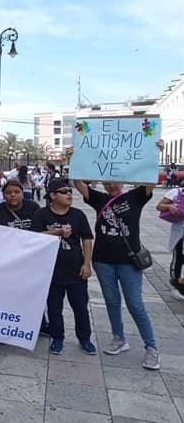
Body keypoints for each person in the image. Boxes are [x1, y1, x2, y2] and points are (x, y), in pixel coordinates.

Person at [68, 142, 163, 370]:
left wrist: (153, 152)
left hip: (129, 261)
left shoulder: (136, 196)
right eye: (107, 181)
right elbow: (78, 183)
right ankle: (118, 338)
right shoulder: (99, 199)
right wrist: (75, 157)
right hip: (103, 261)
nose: (111, 185)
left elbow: (150, 180)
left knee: (135, 304)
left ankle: (151, 348)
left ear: (122, 180)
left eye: (115, 180)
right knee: (112, 302)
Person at [31, 179, 95, 356]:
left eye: (70, 191)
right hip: (51, 272)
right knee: (54, 308)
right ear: (52, 195)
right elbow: (34, 236)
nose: (69, 194)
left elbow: (87, 239)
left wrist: (86, 264)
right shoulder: (41, 214)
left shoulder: (77, 215)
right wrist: (57, 232)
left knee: (80, 307)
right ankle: (57, 337)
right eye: (64, 191)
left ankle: (85, 338)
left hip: (76, 271)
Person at [0, 179, 48, 334]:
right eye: (8, 193)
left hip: (31, 260)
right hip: (9, 261)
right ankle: (5, 325)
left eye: (16, 192)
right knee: (9, 294)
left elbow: (42, 231)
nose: (13, 195)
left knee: (33, 293)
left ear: (22, 194)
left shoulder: (33, 207)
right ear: (3, 195)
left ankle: (39, 324)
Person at [157, 186, 184, 301]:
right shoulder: (176, 192)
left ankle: (179, 282)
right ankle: (176, 285)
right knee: (178, 258)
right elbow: (159, 206)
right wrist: (170, 206)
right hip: (180, 232)